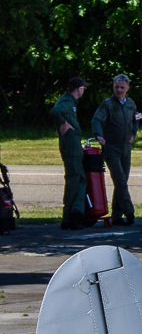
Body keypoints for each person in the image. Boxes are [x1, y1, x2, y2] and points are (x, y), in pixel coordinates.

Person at [91, 74, 140, 225]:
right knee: (119, 179)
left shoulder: (131, 103)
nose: (119, 90)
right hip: (111, 148)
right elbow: (96, 120)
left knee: (122, 181)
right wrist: (99, 135)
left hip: (125, 147)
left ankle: (117, 216)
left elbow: (136, 120)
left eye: (122, 87)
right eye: (116, 87)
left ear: (127, 88)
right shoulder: (107, 104)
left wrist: (133, 134)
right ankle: (129, 211)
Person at [49, 77, 89, 230]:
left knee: (77, 178)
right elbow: (55, 111)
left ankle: (71, 215)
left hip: (71, 143)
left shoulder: (68, 101)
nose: (83, 90)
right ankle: (73, 214)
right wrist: (64, 123)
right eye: (83, 88)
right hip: (71, 144)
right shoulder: (67, 102)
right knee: (76, 179)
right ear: (78, 89)